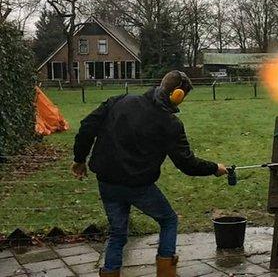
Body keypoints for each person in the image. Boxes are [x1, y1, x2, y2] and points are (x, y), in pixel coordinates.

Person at [71, 71, 227, 277]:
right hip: (139, 186)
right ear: (177, 94)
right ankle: (166, 272)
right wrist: (215, 168)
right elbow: (186, 163)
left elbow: (87, 126)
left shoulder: (121, 100)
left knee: (117, 232)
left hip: (107, 181)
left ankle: (110, 272)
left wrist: (80, 159)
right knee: (169, 220)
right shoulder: (170, 123)